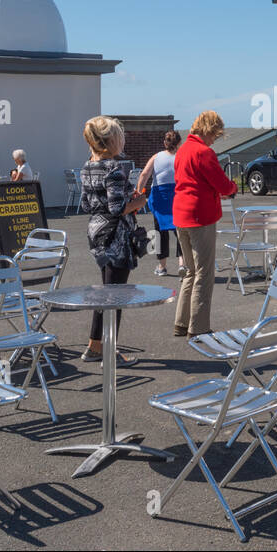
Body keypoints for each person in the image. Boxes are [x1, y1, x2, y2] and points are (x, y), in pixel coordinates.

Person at [81, 116, 147, 366]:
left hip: (96, 233)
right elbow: (118, 208)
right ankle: (110, 351)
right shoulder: (115, 169)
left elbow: (87, 204)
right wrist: (139, 202)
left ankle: (94, 345)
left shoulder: (87, 167)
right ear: (111, 140)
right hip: (117, 237)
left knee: (105, 291)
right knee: (117, 295)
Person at [172, 110, 238, 338]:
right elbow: (222, 183)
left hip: (181, 215)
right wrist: (232, 189)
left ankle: (181, 322)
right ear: (209, 130)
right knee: (204, 273)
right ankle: (198, 327)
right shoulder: (204, 152)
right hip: (200, 217)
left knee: (189, 271)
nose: (215, 139)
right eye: (215, 134)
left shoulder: (182, 151)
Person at [134, 130, 185, 277]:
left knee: (159, 232)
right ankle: (182, 263)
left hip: (159, 198)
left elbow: (144, 174)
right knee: (180, 232)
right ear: (179, 143)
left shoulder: (156, 157)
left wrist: (138, 191)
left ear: (165, 143)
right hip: (176, 196)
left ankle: (162, 267)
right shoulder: (181, 157)